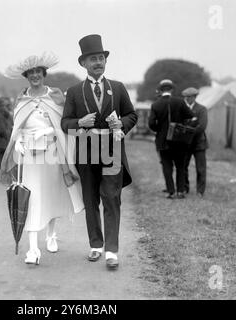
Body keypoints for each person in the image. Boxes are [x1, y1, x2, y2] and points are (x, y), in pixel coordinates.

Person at [0, 53, 84, 265]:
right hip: (29, 157)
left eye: (38, 72)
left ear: (43, 74)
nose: (35, 75)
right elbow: (17, 126)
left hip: (52, 153)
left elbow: (63, 124)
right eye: (31, 73)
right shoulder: (22, 99)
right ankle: (33, 250)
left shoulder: (55, 96)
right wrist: (16, 142)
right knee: (32, 198)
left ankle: (51, 234)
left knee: (51, 194)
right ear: (26, 76)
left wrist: (47, 130)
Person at [61, 34, 138, 270]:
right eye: (92, 59)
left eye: (101, 58)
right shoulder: (74, 91)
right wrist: (80, 123)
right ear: (83, 64)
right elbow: (65, 123)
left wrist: (121, 124)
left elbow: (132, 115)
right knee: (91, 198)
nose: (98, 62)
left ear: (105, 61)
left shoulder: (118, 87)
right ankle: (96, 244)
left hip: (111, 150)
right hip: (85, 151)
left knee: (112, 198)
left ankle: (112, 251)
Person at [148, 79, 193, 199]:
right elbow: (190, 116)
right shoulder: (180, 102)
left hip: (163, 141)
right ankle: (181, 191)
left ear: (161, 90)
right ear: (172, 89)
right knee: (180, 166)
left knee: (167, 166)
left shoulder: (155, 104)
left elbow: (151, 124)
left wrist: (160, 130)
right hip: (179, 140)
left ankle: (171, 191)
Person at [182, 87, 209, 197]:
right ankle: (184, 188)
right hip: (185, 144)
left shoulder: (202, 109)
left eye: (188, 97)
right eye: (185, 97)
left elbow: (202, 126)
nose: (186, 99)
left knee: (200, 168)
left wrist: (187, 132)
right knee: (183, 167)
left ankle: (200, 191)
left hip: (199, 143)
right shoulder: (182, 109)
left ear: (194, 97)